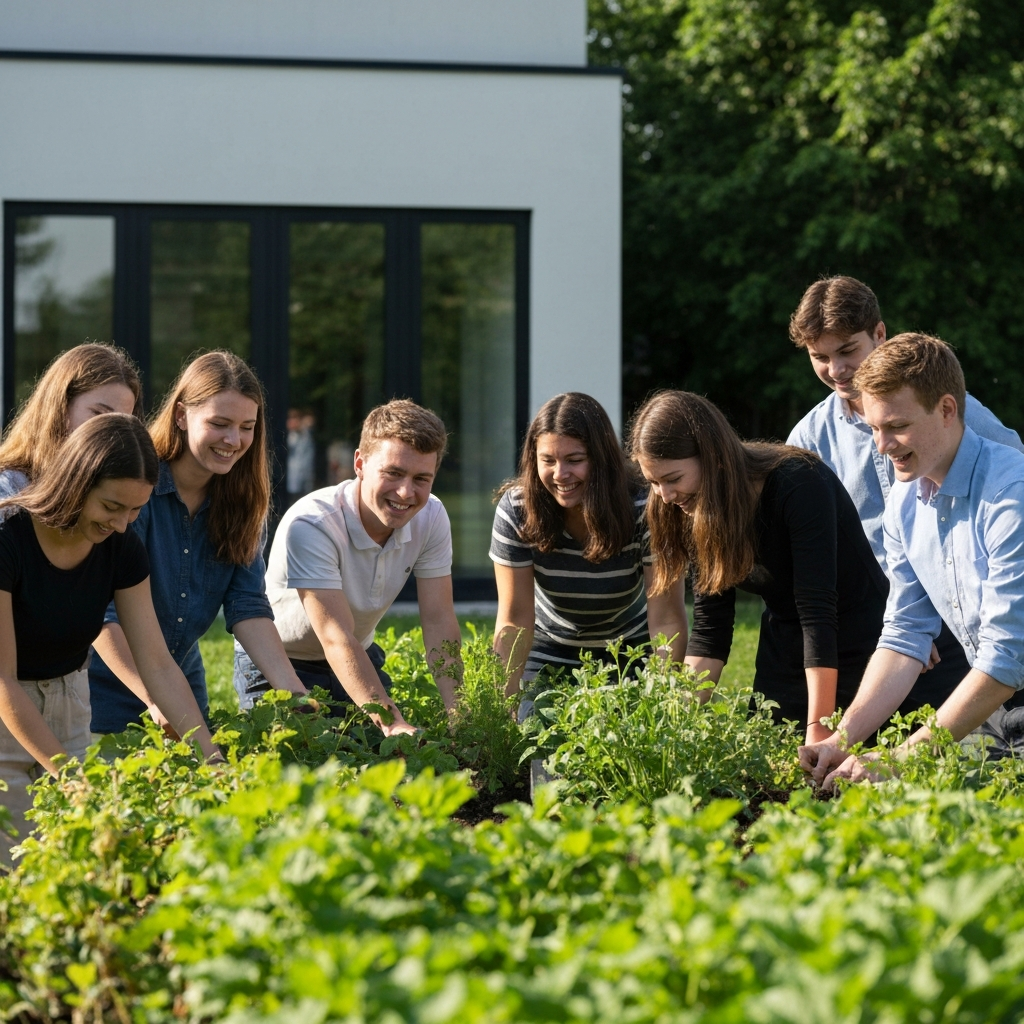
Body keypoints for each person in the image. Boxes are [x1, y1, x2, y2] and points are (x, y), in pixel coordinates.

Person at [787, 276, 1023, 718]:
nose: (836, 370)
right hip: (892, 619)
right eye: (820, 357)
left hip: (972, 611)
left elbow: (1009, 493)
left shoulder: (958, 414)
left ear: (879, 334)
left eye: (846, 351)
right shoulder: (810, 437)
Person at [0, 414, 218, 862]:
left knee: (73, 863)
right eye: (111, 507)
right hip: (7, 716)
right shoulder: (8, 538)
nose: (122, 524)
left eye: (135, 510)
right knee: (16, 865)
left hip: (70, 705)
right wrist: (69, 777)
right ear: (76, 482)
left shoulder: (120, 548)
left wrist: (212, 760)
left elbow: (156, 663)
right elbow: (1, 681)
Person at [629, 390, 889, 744]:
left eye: (673, 479)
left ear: (713, 457)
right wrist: (673, 725)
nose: (666, 496)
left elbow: (817, 612)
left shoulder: (798, 483)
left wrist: (819, 729)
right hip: (784, 644)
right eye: (654, 482)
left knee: (845, 771)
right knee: (772, 767)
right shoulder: (689, 509)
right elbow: (710, 631)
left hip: (859, 639)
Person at [88, 351, 308, 736]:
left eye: (246, 426)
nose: (233, 440)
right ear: (180, 416)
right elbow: (101, 613)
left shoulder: (244, 504)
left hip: (182, 688)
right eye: (219, 423)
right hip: (103, 687)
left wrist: (296, 695)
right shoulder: (134, 489)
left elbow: (248, 607)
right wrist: (155, 699)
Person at [233, 399, 462, 734]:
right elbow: (335, 635)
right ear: (359, 463)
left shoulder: (432, 516)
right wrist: (391, 721)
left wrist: (461, 712)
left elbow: (439, 618)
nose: (405, 492)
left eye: (421, 479)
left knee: (386, 765)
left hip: (359, 654)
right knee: (299, 771)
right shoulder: (313, 523)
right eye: (393, 473)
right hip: (280, 663)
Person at [490, 392, 687, 700]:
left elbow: (666, 617)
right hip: (549, 649)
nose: (560, 474)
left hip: (629, 651)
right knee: (535, 734)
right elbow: (515, 620)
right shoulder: (517, 509)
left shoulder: (645, 507)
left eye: (575, 460)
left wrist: (663, 697)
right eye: (548, 461)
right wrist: (502, 704)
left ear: (601, 459)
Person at [0, 343, 141, 504]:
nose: (110, 432)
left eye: (120, 424)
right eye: (98, 414)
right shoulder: (9, 488)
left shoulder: (118, 495)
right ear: (60, 407)